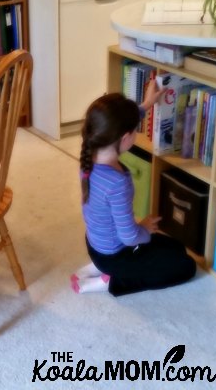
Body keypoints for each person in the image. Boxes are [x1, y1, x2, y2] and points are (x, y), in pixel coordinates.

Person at [71, 83, 197, 296]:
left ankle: (100, 266)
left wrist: (147, 104)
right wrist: (145, 230)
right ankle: (110, 281)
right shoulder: (117, 182)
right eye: (136, 130)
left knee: (176, 249)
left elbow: (119, 123)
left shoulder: (89, 154)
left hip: (98, 245)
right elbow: (129, 237)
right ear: (125, 138)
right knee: (187, 267)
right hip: (116, 255)